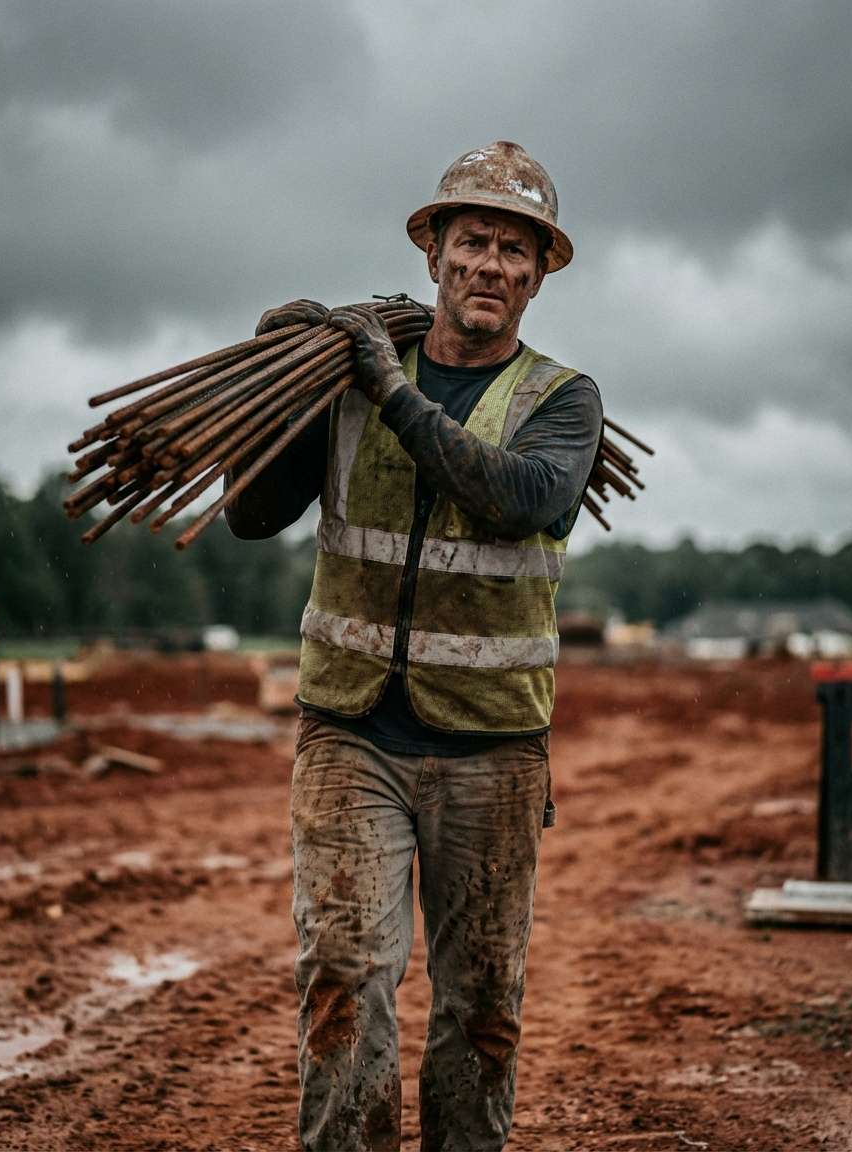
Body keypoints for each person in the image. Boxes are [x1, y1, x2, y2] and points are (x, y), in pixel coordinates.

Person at [226, 141, 603, 1152]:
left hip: (491, 752)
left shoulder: (560, 401)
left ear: (538, 273)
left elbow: (525, 500)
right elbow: (251, 516)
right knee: (344, 980)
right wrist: (271, 387)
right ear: (433, 251)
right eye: (470, 240)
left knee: (482, 1008)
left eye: (513, 250)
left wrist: (393, 388)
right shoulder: (341, 381)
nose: (489, 264)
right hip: (349, 735)